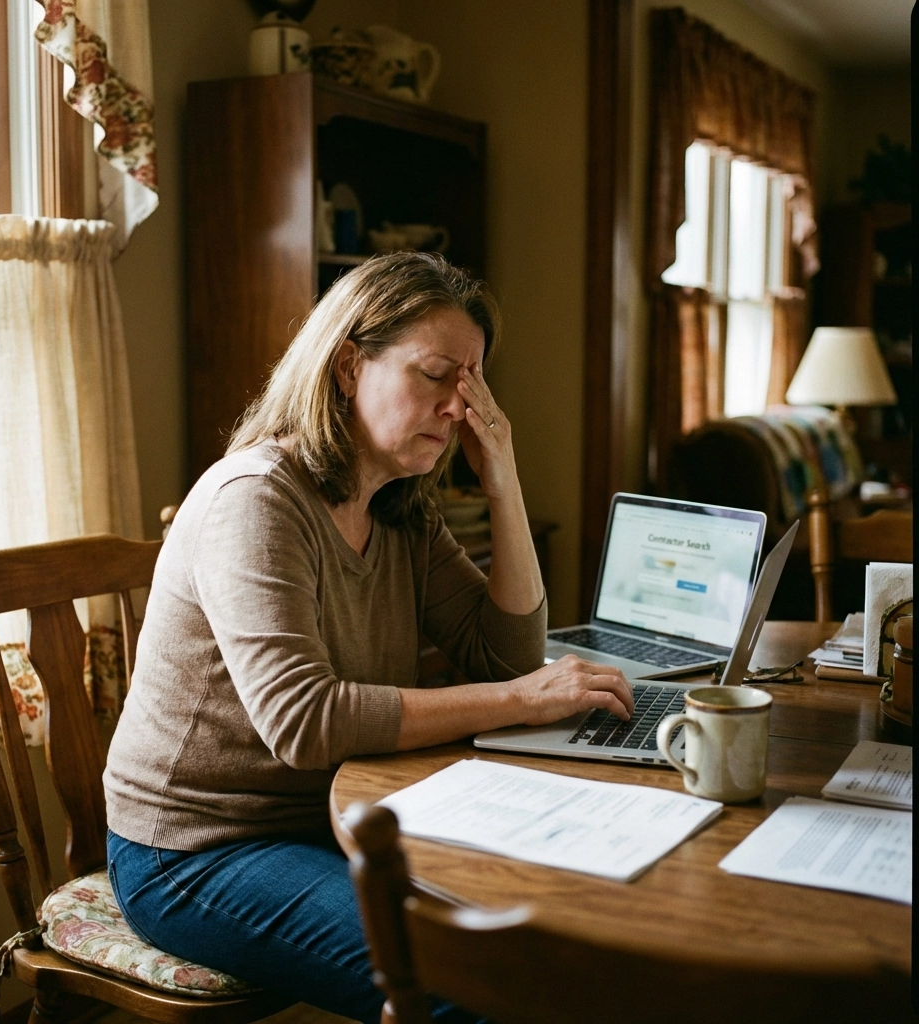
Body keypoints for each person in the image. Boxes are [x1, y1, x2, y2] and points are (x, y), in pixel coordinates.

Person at [104, 253, 634, 1023]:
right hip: (196, 851)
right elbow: (304, 721)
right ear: (350, 365)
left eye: (473, 382)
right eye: (436, 374)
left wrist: (505, 480)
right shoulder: (256, 500)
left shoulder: (399, 509)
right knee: (476, 986)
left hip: (337, 818)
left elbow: (506, 655)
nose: (460, 407)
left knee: (563, 932)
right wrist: (514, 701)